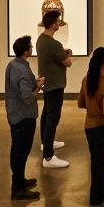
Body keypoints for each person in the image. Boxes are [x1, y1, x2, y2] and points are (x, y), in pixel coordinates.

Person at [77, 47, 104, 207]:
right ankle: (95, 206)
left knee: (96, 163)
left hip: (89, 127)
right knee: (101, 166)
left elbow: (81, 103)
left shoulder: (87, 80)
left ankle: (98, 192)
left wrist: (101, 104)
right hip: (102, 129)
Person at [4, 36, 41, 200]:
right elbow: (27, 97)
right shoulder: (23, 71)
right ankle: (18, 189)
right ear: (26, 51)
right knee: (21, 152)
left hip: (13, 115)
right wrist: (38, 87)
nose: (32, 49)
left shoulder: (12, 65)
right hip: (24, 117)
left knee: (16, 149)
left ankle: (19, 180)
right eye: (30, 47)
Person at [35, 10, 71, 168]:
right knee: (52, 118)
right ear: (53, 23)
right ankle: (48, 157)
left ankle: (46, 143)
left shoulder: (41, 40)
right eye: (58, 21)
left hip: (48, 83)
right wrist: (67, 55)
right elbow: (67, 62)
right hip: (55, 84)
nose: (59, 24)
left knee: (46, 114)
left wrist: (64, 54)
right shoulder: (53, 43)